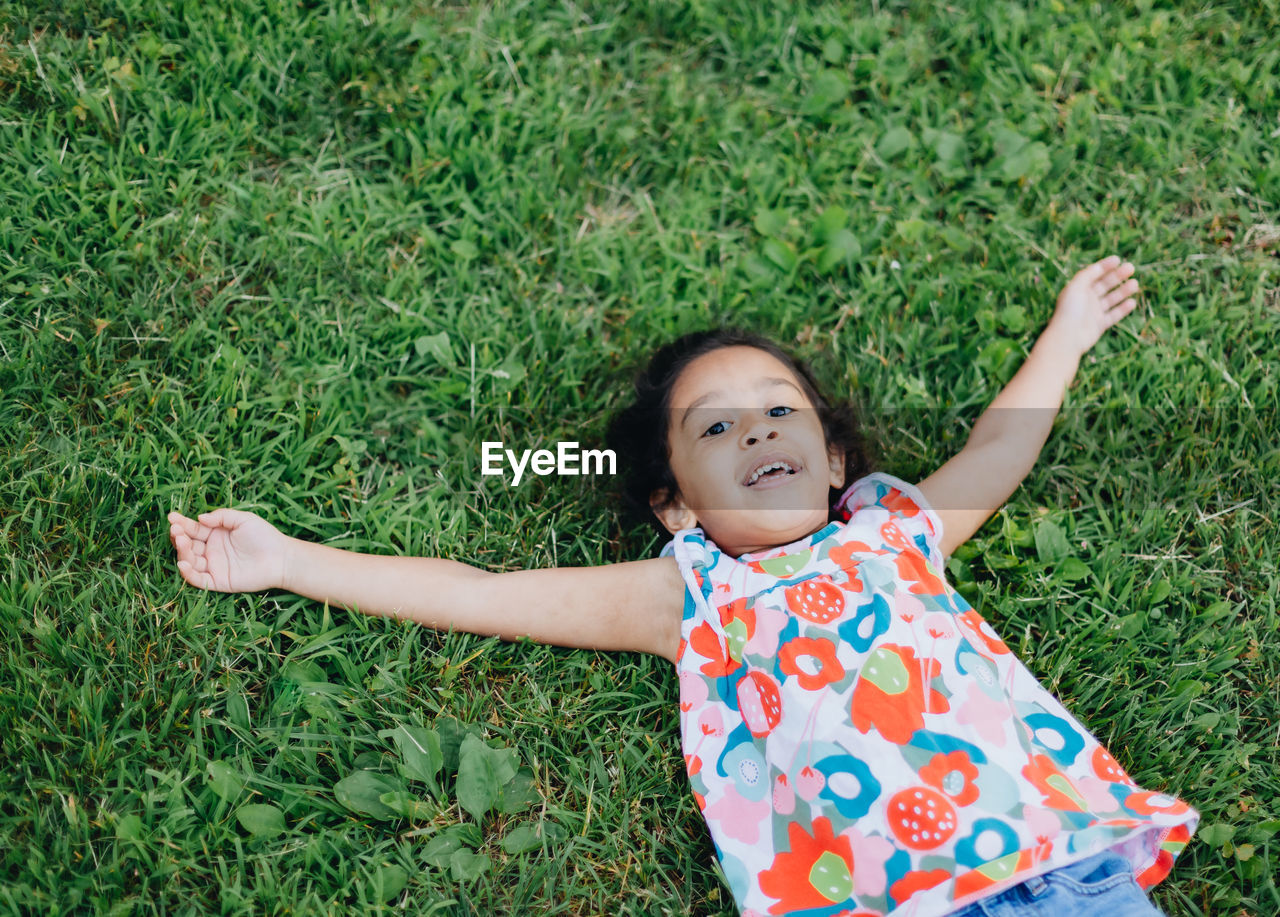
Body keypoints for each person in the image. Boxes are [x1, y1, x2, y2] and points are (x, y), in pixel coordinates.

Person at [168, 256, 1197, 916]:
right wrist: (289, 558)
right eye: (715, 425)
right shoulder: (694, 600)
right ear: (673, 505)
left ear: (833, 459)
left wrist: (1065, 331)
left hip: (1066, 870)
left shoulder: (897, 534)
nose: (754, 427)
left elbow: (996, 446)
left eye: (778, 409)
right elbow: (480, 587)